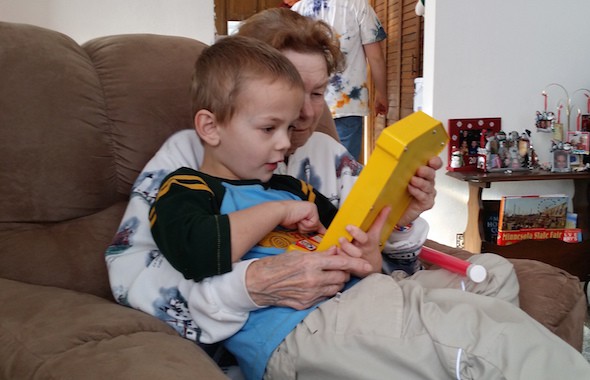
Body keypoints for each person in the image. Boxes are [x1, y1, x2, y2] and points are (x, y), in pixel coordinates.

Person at [150, 35, 590, 380]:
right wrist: (276, 214)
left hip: (369, 297)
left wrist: (389, 228)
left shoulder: (290, 186)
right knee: (491, 340)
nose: (286, 141)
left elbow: (353, 239)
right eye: (270, 127)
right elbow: (196, 250)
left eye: (288, 125)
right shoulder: (187, 187)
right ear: (210, 127)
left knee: (493, 275)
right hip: (302, 329)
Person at [105, 8, 438, 347]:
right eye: (292, 88)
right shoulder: (187, 158)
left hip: (353, 319)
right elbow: (128, 272)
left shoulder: (329, 154)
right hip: (284, 342)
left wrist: (399, 218)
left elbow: (376, 261)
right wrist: (248, 286)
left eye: (317, 92)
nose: (306, 114)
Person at [292, 0, 388, 160]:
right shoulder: (359, 7)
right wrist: (381, 94)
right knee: (344, 171)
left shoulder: (298, 10)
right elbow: (376, 57)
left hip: (306, 105)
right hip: (347, 105)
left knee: (307, 166)